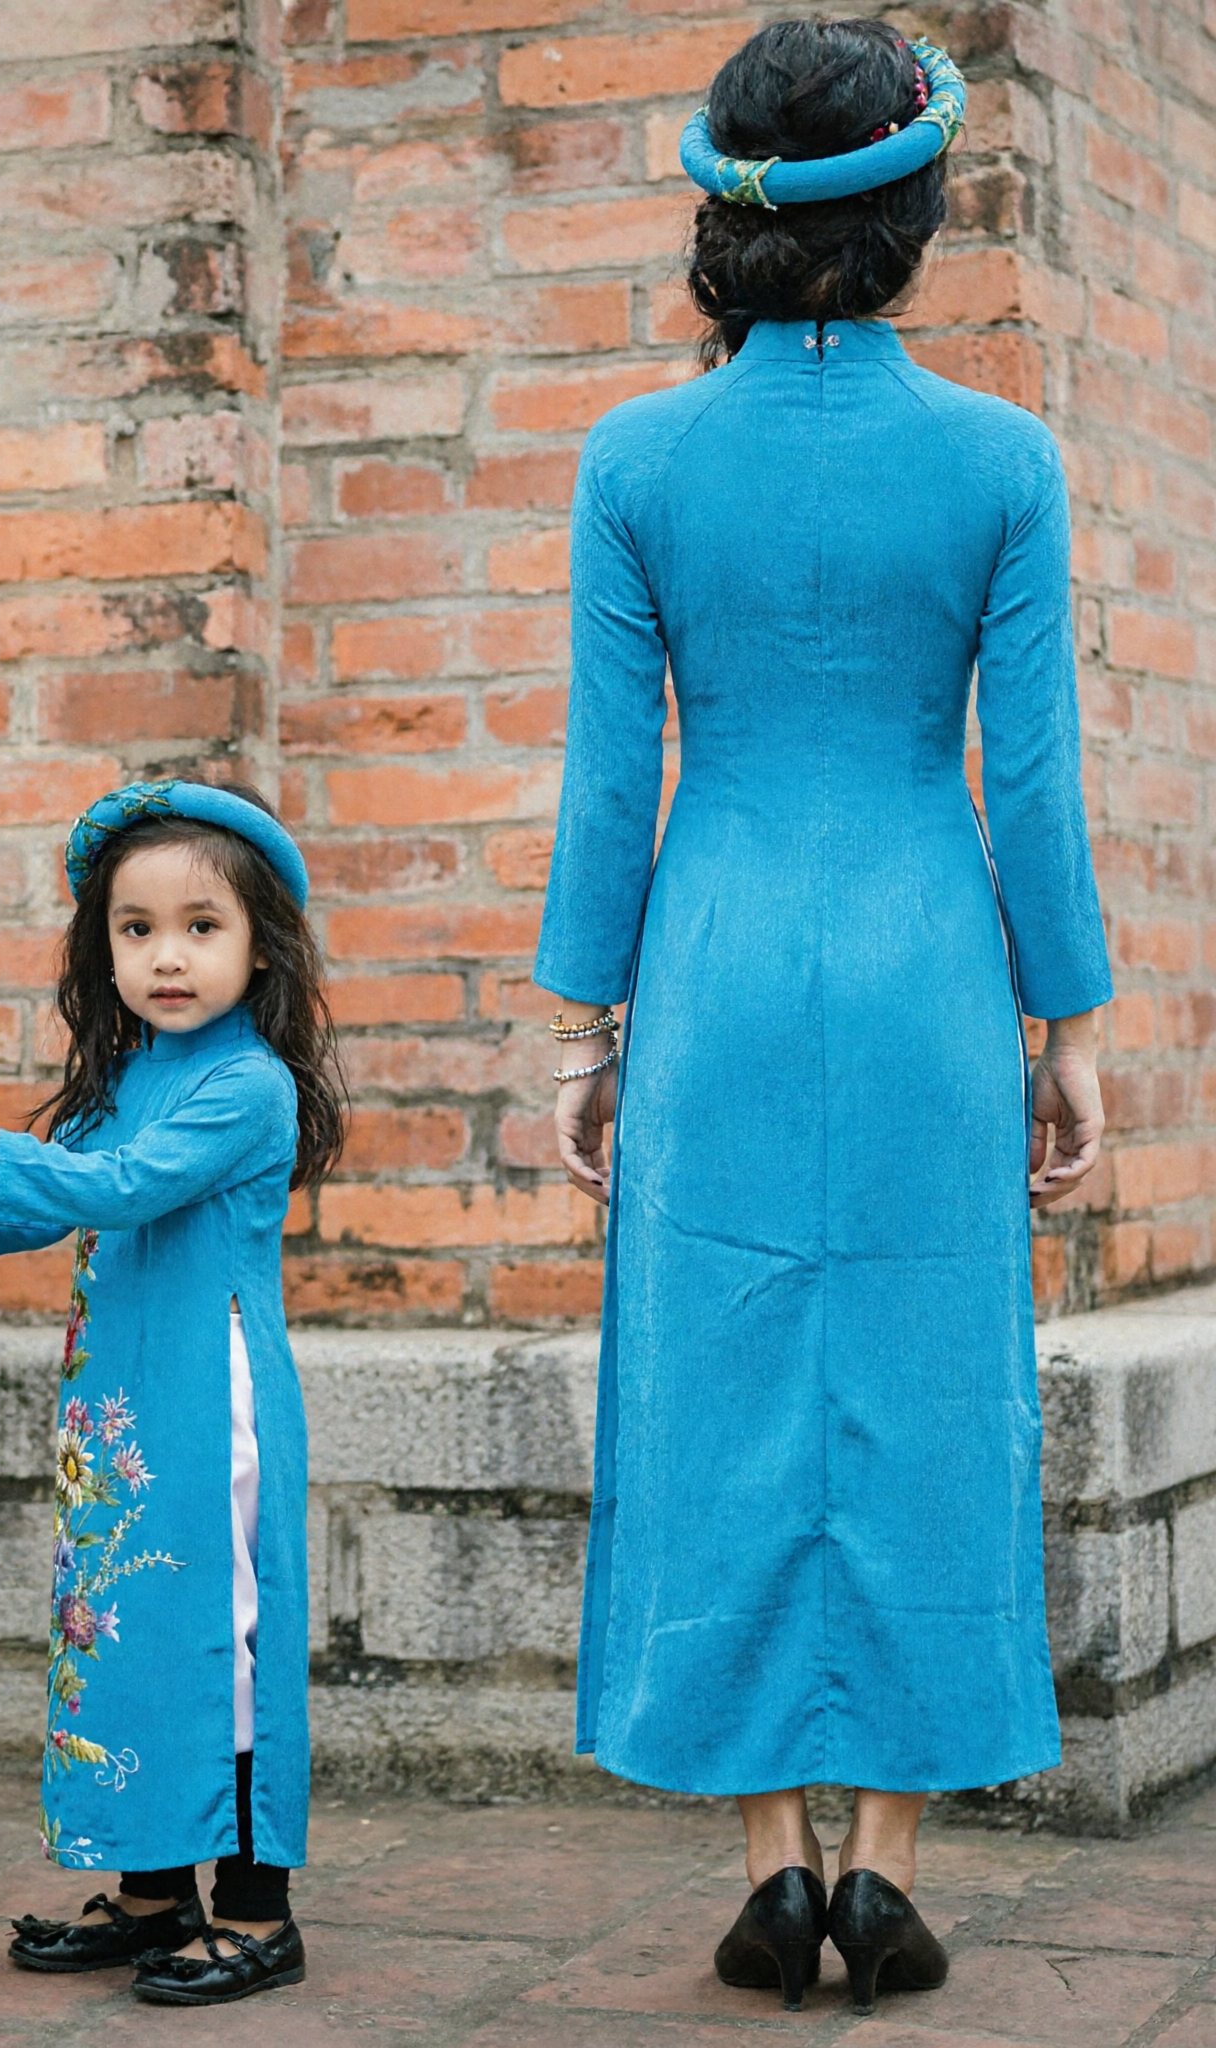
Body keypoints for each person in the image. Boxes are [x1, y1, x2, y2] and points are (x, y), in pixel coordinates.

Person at [535, 20, 1110, 2020]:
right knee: (928, 1391)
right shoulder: (999, 461)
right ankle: (890, 1874)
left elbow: (609, 781)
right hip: (928, 964)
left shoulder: (635, 459)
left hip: (713, 960)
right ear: (913, 214)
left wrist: (582, 1027)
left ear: (725, 210)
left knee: (723, 1384)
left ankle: (770, 1869)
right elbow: (1028, 778)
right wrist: (1066, 1023)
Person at [0, 781, 347, 2008]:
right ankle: (152, 1890)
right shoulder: (128, 1074)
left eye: (200, 926)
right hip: (116, 1412)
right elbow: (49, 1194)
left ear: (261, 945)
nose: (165, 956)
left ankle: (257, 1908)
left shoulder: (246, 1085)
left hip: (208, 1413)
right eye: (136, 929)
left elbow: (121, 1186)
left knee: (219, 1642)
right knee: (123, 1631)